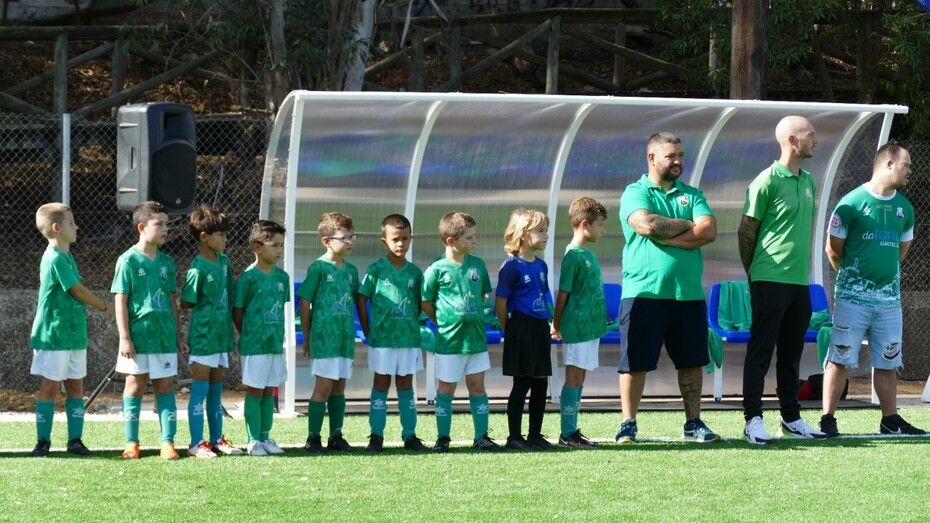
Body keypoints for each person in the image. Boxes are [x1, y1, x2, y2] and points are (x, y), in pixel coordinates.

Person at [615, 132, 719, 444]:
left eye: (681, 155)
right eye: (671, 155)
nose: (678, 161)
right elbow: (646, 225)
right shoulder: (635, 192)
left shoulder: (693, 194)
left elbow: (709, 231)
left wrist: (668, 235)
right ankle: (628, 423)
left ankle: (693, 423)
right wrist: (688, 225)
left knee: (692, 362)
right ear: (651, 158)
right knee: (635, 362)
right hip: (643, 292)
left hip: (687, 293)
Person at [821, 143, 925, 436]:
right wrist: (855, 282)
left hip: (889, 302)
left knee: (888, 361)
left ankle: (890, 421)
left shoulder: (905, 209)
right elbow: (833, 250)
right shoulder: (852, 203)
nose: (910, 171)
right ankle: (827, 419)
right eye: (906, 165)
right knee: (840, 358)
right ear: (889, 164)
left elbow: (901, 253)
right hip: (852, 300)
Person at [738, 115, 827, 444]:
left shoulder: (809, 181)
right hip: (768, 279)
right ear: (792, 140)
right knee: (760, 352)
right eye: (810, 134)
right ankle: (752, 419)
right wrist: (755, 274)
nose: (815, 139)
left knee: (791, 354)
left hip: (798, 283)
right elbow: (746, 232)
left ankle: (791, 418)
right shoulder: (766, 180)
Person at [29, 203, 113, 457]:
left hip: (74, 335)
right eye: (71, 223)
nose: (76, 227)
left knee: (76, 388)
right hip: (54, 335)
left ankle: (75, 440)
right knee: (50, 388)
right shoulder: (54, 257)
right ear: (57, 228)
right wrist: (105, 307)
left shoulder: (66, 256)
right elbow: (76, 290)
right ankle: (42, 442)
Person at [112, 201, 188, 460]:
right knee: (134, 386)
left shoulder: (167, 262)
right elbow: (120, 301)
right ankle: (131, 442)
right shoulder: (127, 261)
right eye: (160, 224)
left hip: (164, 338)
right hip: (138, 338)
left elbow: (171, 301)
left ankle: (167, 442)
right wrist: (124, 337)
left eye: (167, 223)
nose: (166, 229)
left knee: (165, 387)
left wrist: (178, 336)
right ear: (142, 227)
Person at [422, 211, 500, 452]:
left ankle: (481, 437)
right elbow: (425, 301)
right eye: (469, 237)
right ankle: (443, 437)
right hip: (449, 341)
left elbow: (483, 296)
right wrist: (440, 321)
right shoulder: (436, 269)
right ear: (450, 241)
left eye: (474, 236)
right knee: (446, 389)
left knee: (477, 386)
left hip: (475, 339)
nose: (475, 241)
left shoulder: (478, 265)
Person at [357, 214, 428, 453]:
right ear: (384, 240)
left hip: (408, 339)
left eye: (405, 238)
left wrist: (412, 322)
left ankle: (410, 436)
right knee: (381, 385)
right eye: (395, 239)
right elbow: (361, 298)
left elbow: (421, 303)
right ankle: (376, 436)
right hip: (382, 340)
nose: (401, 243)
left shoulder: (415, 273)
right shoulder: (376, 270)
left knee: (406, 386)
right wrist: (368, 330)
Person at [180, 205, 242, 458]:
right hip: (203, 337)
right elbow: (187, 301)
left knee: (216, 391)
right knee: (200, 390)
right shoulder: (197, 267)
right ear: (204, 237)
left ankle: (217, 439)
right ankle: (196, 443)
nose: (225, 239)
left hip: (221, 336)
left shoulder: (224, 261)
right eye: (221, 234)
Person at [494, 208, 555, 451]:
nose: (546, 235)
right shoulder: (511, 266)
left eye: (546, 230)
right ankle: (514, 437)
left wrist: (551, 322)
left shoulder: (541, 266)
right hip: (520, 327)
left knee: (541, 382)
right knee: (522, 383)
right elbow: (500, 303)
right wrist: (509, 329)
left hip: (539, 328)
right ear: (522, 233)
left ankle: (535, 435)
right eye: (540, 231)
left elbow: (544, 296)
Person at [299, 212, 360, 453]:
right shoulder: (318, 268)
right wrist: (307, 336)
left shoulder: (352, 271)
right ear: (326, 241)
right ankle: (313, 438)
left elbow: (354, 301)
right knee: (323, 386)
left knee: (339, 387)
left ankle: (336, 436)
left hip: (345, 340)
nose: (350, 241)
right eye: (344, 238)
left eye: (352, 236)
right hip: (324, 339)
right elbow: (305, 302)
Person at [552, 197, 608, 449]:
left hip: (590, 327)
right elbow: (563, 293)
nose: (602, 230)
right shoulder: (573, 255)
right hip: (577, 327)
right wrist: (556, 323)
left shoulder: (588, 253)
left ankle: (572, 430)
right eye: (600, 224)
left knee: (580, 379)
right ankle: (567, 434)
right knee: (573, 378)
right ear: (585, 224)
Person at [233, 220, 290, 456]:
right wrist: (249, 333)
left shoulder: (283, 277)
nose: (279, 250)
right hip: (254, 346)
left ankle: (266, 437)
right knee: (255, 391)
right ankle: (253, 440)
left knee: (269, 391)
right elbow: (238, 312)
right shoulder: (248, 278)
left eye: (281, 245)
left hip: (274, 344)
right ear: (257, 247)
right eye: (274, 245)